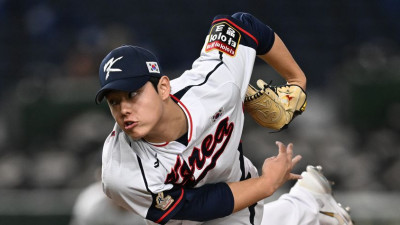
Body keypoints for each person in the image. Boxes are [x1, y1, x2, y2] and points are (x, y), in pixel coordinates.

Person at [94, 12, 353, 225]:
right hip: (181, 211)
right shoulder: (120, 172)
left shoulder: (214, 82)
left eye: (133, 94)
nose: (124, 109)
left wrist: (297, 79)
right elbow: (196, 205)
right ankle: (308, 202)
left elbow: (240, 24)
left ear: (163, 87)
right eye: (114, 101)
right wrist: (266, 184)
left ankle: (306, 203)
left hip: (233, 189)